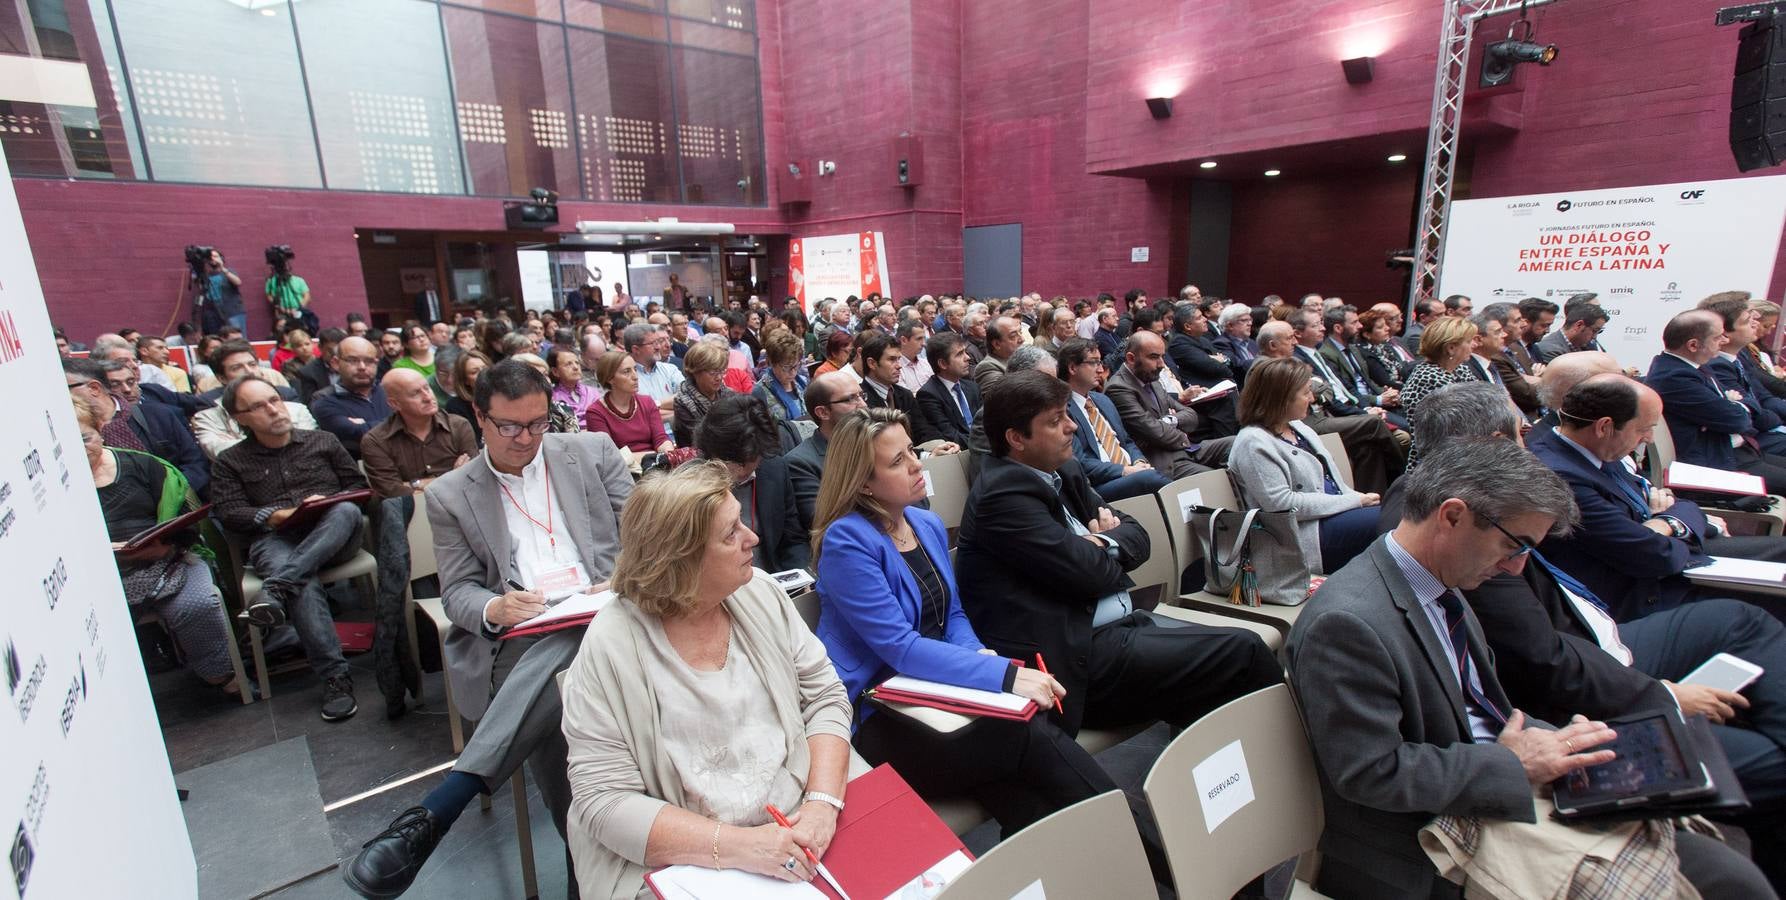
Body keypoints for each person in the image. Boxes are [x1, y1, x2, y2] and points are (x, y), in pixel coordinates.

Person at [1288, 439, 1770, 899]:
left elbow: (1481, 710)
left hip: (1491, 785)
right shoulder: (1348, 622)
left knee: (1702, 827)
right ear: (1453, 516)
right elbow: (1371, 773)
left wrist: (1560, 745)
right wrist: (1516, 764)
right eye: (1514, 546)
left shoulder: (1439, 581)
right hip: (1427, 841)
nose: (1517, 568)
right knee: (1721, 879)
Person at [1378, 381, 1786, 889]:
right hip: (1557, 699)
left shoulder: (1456, 509)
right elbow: (1539, 662)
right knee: (1761, 793)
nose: (1533, 439)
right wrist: (1663, 696)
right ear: (1495, 444)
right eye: (1523, 432)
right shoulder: (1453, 540)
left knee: (1743, 622)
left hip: (1582, 645)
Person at [810, 406, 1171, 874]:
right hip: (882, 711)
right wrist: (1001, 675)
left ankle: (1099, 872)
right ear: (863, 483)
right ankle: (1158, 861)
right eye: (898, 461)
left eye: (912, 451)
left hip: (940, 692)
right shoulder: (847, 542)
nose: (917, 465)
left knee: (1026, 789)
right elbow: (899, 647)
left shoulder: (924, 524)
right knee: (1026, 736)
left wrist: (979, 658)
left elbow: (953, 616)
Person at [344, 360, 634, 898]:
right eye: (510, 426)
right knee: (566, 677)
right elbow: (457, 593)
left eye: (538, 423)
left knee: (573, 660)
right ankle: (590, 870)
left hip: (612, 611)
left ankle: (447, 802)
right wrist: (496, 607)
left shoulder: (592, 453)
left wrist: (621, 576)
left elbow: (646, 537)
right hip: (522, 636)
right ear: (479, 416)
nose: (526, 438)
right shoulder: (452, 493)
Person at [554, 461, 851, 896]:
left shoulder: (760, 593)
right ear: (680, 558)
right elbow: (606, 801)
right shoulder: (611, 646)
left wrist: (822, 805)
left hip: (798, 825)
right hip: (685, 860)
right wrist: (744, 847)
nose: (753, 538)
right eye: (731, 533)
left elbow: (824, 698)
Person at [954, 370, 1284, 738]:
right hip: (1077, 660)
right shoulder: (1002, 496)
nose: (1072, 427)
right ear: (1016, 438)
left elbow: (1138, 536)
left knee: (1218, 680)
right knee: (1244, 651)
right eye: (1055, 421)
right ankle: (1294, 757)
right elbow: (1089, 573)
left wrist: (1100, 543)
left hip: (1119, 628)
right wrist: (1104, 547)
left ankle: (1228, 759)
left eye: (1067, 415)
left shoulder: (1061, 468)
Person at [1529, 373, 1786, 617]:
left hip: (1669, 555)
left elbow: (1672, 502)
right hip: (1642, 592)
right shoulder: (1562, 475)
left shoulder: (1596, 449)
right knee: (1769, 601)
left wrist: (1665, 523)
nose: (1650, 438)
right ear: (1604, 426)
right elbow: (1652, 556)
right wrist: (1670, 525)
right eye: (1644, 429)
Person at [210, 375, 367, 721]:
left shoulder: (322, 441)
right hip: (277, 538)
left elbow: (357, 487)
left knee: (345, 510)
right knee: (301, 582)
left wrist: (326, 501)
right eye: (258, 406)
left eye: (274, 400)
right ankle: (335, 678)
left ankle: (276, 589)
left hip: (333, 533)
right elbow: (230, 512)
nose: (273, 409)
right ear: (239, 418)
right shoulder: (230, 461)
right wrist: (274, 515)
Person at [74, 392, 237, 694]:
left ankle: (220, 673)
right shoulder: (57, 488)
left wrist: (165, 547)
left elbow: (188, 517)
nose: (79, 450)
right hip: (97, 578)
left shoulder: (146, 466)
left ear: (100, 429)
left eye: (85, 438)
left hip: (169, 558)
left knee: (197, 604)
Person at [1229, 357, 1381, 573]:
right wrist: (1354, 501)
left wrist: (1359, 499)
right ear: (1281, 398)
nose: (1311, 398)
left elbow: (1333, 482)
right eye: (1305, 392)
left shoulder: (1298, 427)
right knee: (1394, 521)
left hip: (1332, 517)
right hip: (1302, 536)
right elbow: (1282, 505)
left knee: (1404, 502)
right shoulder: (1253, 442)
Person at [1648, 309, 1786, 493]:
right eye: (1717, 337)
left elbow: (1745, 406)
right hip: (1716, 465)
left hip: (1738, 452)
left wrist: (1735, 404)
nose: (1725, 340)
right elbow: (1737, 420)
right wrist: (1735, 404)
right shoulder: (1674, 377)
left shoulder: (1695, 367)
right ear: (1693, 345)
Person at [695, 394, 810, 571]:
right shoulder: (691, 486)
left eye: (750, 460)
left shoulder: (774, 469)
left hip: (771, 576)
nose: (741, 471)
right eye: (734, 462)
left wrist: (798, 575)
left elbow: (793, 539)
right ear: (711, 452)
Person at [67, 358, 212, 498]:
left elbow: (196, 463)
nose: (127, 389)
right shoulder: (69, 435)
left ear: (94, 388)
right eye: (116, 384)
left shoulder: (158, 415)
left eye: (64, 388)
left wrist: (173, 495)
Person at [1057, 338, 1168, 502]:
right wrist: (1124, 470)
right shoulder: (1062, 410)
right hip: (1101, 485)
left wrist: (1138, 461)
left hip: (1132, 471)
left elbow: (1126, 441)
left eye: (1100, 362)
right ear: (1073, 368)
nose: (1101, 369)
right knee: (1152, 479)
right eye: (1094, 363)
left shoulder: (1102, 400)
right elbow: (1080, 462)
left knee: (1158, 473)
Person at [1103, 331, 1224, 476]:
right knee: (1218, 478)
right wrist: (1181, 433)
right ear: (1131, 358)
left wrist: (1168, 420)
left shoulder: (1151, 378)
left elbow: (1191, 415)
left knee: (1236, 444)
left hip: (1187, 449)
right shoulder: (1118, 388)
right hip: (1165, 461)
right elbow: (1155, 432)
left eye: (1162, 357)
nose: (1161, 364)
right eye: (1154, 357)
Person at [787, 372, 870, 531]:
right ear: (823, 412)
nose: (863, 405)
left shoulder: (876, 443)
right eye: (850, 399)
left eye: (861, 396)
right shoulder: (800, 463)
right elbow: (825, 522)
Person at [857, 332, 956, 449]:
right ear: (872, 363)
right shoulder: (859, 400)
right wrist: (924, 454)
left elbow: (923, 430)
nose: (899, 366)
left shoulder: (904, 394)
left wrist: (943, 445)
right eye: (892, 360)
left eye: (899, 359)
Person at [310, 335, 393, 459]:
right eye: (353, 360)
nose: (362, 367)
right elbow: (360, 434)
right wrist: (402, 420)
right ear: (335, 363)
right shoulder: (323, 402)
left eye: (369, 361)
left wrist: (366, 424)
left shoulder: (391, 391)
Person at [584, 350, 674, 455]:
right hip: (624, 464)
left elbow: (660, 439)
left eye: (635, 369)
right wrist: (652, 456)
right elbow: (608, 454)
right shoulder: (595, 412)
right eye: (627, 372)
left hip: (654, 460)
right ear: (610, 378)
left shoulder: (647, 402)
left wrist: (669, 453)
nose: (635, 377)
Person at [1401, 315, 1479, 416]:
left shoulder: (1460, 369)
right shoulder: (1430, 378)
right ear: (1451, 348)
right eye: (1469, 341)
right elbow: (1471, 414)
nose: (1475, 345)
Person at [915, 332, 981, 447]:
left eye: (965, 352)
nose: (968, 358)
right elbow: (950, 435)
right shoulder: (928, 395)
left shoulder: (972, 387)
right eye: (959, 354)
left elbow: (986, 422)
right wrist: (984, 443)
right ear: (943, 364)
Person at [673, 340, 733, 446]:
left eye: (721, 371)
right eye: (713, 372)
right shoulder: (683, 403)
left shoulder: (728, 394)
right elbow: (701, 440)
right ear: (695, 371)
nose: (719, 377)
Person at [752, 329, 810, 435]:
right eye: (786, 367)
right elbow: (760, 432)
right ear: (771, 363)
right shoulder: (760, 391)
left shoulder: (802, 383)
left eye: (796, 365)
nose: (793, 372)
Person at [1355, 306, 1414, 389]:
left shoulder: (1383, 346)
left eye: (1385, 325)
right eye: (1380, 327)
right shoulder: (1366, 353)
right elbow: (1385, 382)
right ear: (1367, 334)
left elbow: (1402, 370)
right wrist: (1412, 387)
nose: (1387, 328)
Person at [1533, 302, 1610, 364]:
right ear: (1579, 325)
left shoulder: (1588, 346)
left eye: (1599, 331)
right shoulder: (1550, 350)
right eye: (1594, 330)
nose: (1594, 337)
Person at [195, 248, 246, 334]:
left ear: (221, 258)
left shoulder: (228, 271)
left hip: (232, 312)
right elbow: (201, 293)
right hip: (215, 314)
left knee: (237, 336)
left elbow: (238, 282)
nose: (213, 259)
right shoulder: (205, 276)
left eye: (215, 256)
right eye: (211, 257)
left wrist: (222, 268)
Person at [546, 346, 599, 426]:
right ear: (555, 371)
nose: (575, 367)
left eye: (577, 363)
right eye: (568, 364)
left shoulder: (592, 392)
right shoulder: (552, 398)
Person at [972, 315, 1026, 390]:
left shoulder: (1019, 358)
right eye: (1013, 336)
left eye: (1020, 332)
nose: (1022, 339)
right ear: (997, 344)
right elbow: (1007, 395)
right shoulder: (987, 367)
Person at [443, 349, 489, 430]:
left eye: (485, 368)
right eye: (474, 372)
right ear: (465, 380)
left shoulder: (504, 395)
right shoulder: (455, 407)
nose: (483, 373)